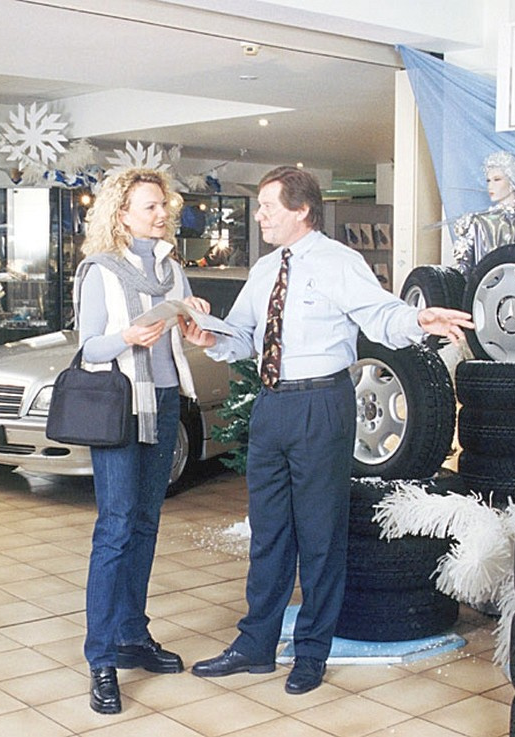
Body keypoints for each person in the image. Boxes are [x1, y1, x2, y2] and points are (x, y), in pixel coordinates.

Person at [183, 165, 473, 695]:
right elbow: (245, 336)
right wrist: (209, 338)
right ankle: (255, 646)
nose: (261, 214)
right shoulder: (265, 269)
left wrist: (419, 320)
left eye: (270, 205)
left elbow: (380, 316)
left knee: (319, 535)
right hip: (272, 407)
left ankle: (312, 653)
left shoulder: (341, 263)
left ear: (301, 210)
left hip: (322, 403)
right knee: (268, 532)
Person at [75, 168, 210, 715]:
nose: (161, 214)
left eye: (163, 206)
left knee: (146, 524)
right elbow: (89, 348)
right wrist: (126, 337)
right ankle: (102, 658)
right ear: (121, 214)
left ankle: (134, 634)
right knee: (115, 529)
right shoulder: (100, 271)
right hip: (121, 410)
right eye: (149, 207)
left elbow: (182, 338)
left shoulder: (173, 271)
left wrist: (193, 318)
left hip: (166, 404)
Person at [452, 150, 515, 274]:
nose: (490, 186)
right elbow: (463, 270)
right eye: (488, 180)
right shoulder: (478, 222)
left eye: (497, 179)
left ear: (513, 183)